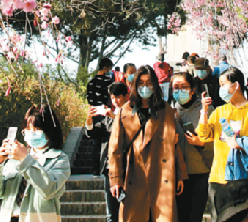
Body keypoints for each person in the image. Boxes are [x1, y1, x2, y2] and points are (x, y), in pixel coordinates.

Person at [108, 64, 188, 222]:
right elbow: (115, 149)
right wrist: (115, 179)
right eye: (141, 83)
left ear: (155, 85)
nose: (145, 87)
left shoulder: (165, 110)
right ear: (135, 85)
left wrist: (179, 174)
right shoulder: (125, 111)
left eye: (149, 83)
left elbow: (174, 144)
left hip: (161, 173)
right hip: (134, 173)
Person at [196, 67, 248, 222]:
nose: (220, 88)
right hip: (218, 178)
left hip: (243, 180)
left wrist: (239, 143)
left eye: (223, 84)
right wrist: (203, 111)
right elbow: (203, 135)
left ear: (236, 85)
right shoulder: (219, 111)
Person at [0, 103, 71, 222]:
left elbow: (48, 190)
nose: (32, 133)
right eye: (28, 129)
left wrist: (25, 159)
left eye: (37, 129)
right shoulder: (14, 157)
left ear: (49, 132)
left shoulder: (59, 159)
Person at [171, 72, 213, 222]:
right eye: (176, 87)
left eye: (184, 87)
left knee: (195, 217)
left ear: (192, 89)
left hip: (199, 172)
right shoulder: (167, 112)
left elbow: (218, 141)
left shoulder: (207, 110)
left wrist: (201, 143)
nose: (180, 91)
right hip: (176, 174)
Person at [86, 82, 131, 222]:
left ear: (126, 96)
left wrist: (114, 117)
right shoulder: (107, 117)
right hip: (109, 168)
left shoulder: (133, 114)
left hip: (129, 167)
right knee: (111, 213)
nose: (115, 101)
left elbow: (131, 134)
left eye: (118, 97)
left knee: (129, 209)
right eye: (112, 98)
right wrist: (89, 119)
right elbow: (93, 133)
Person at [87, 58, 117, 175]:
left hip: (94, 113)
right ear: (105, 68)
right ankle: (104, 167)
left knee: (95, 141)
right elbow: (111, 98)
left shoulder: (91, 82)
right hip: (106, 113)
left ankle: (95, 170)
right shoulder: (109, 82)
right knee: (106, 141)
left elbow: (89, 99)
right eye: (109, 69)